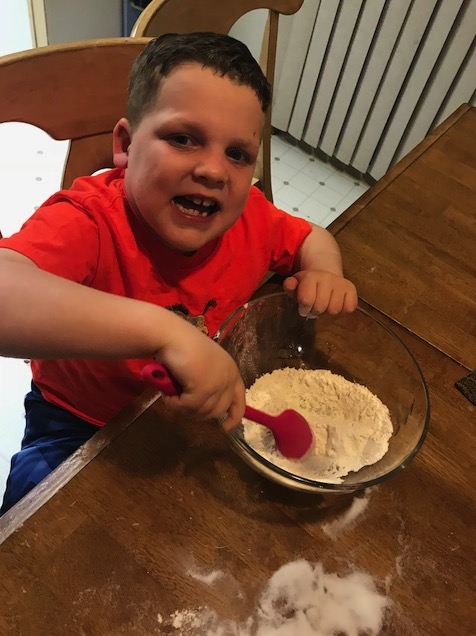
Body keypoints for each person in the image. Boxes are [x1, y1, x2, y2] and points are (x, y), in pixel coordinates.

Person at [0, 32, 357, 514]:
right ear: (125, 145)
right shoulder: (89, 222)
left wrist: (325, 270)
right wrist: (165, 333)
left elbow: (311, 235)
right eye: (183, 138)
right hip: (78, 423)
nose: (213, 170)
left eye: (237, 154)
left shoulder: (249, 216)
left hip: (192, 414)